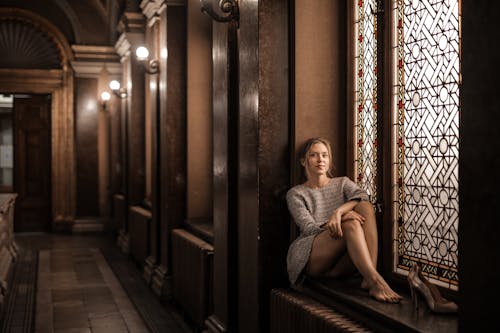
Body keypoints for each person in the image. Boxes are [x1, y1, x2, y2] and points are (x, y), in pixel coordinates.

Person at [286, 137, 402, 303]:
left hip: (342, 261)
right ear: (303, 161)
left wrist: (339, 213)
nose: (320, 160)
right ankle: (376, 281)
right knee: (351, 223)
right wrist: (342, 220)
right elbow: (309, 229)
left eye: (325, 155)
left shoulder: (342, 183)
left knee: (365, 207)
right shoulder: (296, 193)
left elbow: (363, 197)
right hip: (311, 255)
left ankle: (369, 276)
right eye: (314, 155)